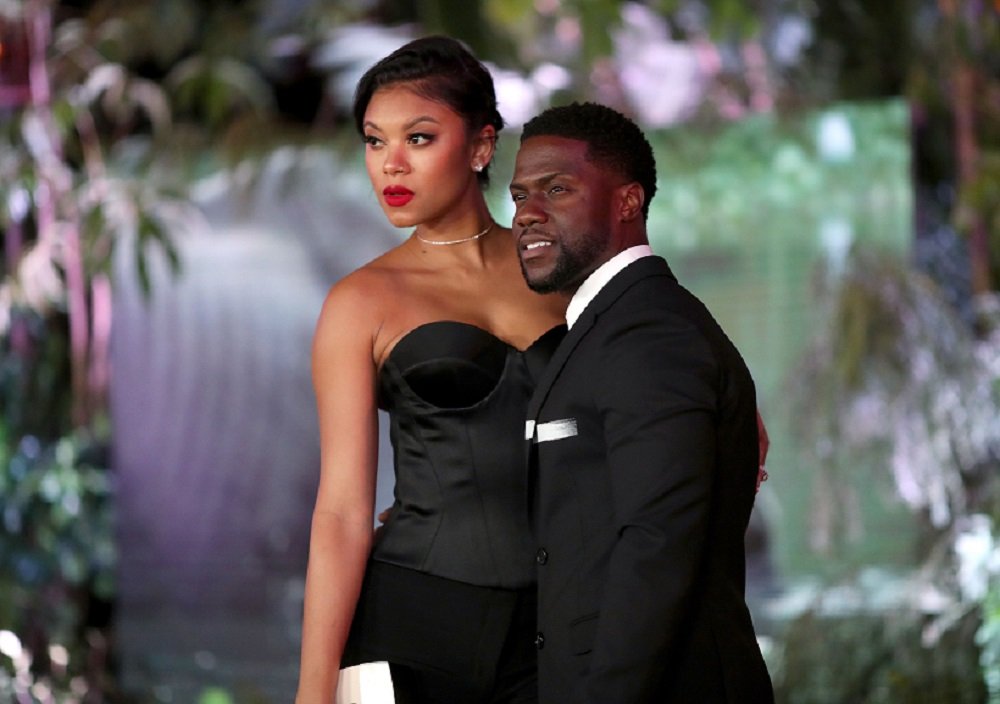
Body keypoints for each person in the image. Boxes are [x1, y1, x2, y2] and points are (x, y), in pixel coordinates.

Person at [294, 37, 567, 704]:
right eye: (373, 140)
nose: (390, 163)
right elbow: (341, 512)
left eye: (418, 138)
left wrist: (726, 397)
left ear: (480, 146)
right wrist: (312, 691)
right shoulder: (360, 304)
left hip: (558, 630)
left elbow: (659, 371)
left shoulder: (564, 272)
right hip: (409, 626)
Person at [510, 102, 775, 703]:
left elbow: (657, 544)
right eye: (520, 194)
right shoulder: (609, 328)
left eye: (556, 189)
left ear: (627, 202)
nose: (527, 213)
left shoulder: (649, 333)